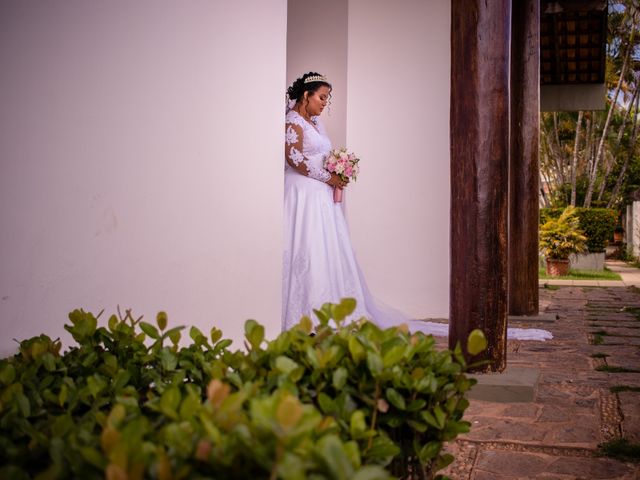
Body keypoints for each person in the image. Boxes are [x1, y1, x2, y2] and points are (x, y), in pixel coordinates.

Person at [281, 72, 414, 332]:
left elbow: (322, 153)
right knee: (305, 249)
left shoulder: (316, 123)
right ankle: (300, 315)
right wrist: (328, 177)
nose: (324, 103)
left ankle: (327, 310)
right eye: (321, 97)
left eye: (327, 99)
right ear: (305, 95)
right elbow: (294, 158)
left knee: (324, 251)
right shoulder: (293, 122)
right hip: (302, 195)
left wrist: (339, 169)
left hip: (320, 196)